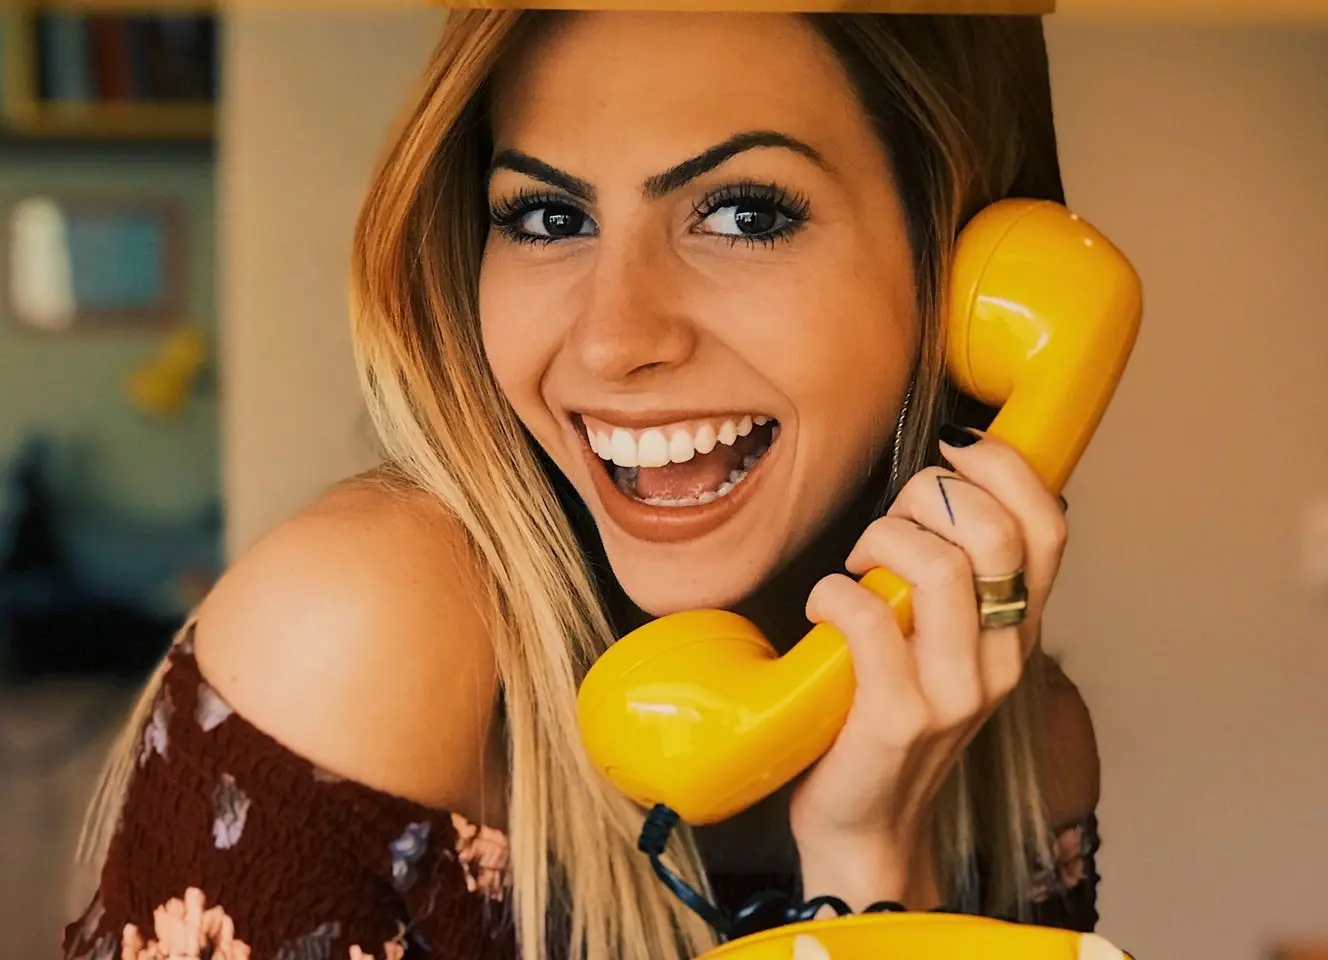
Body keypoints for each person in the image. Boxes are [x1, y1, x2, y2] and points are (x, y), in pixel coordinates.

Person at [62, 9, 1103, 960]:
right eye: (550, 218)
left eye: (742, 214)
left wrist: (870, 868)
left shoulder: (1020, 759)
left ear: (969, 272)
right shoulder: (363, 636)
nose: (612, 341)